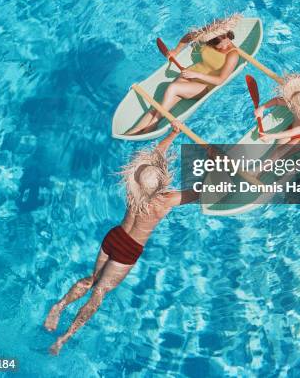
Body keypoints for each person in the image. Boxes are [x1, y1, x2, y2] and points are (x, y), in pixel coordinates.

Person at [44, 122, 198, 355]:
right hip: (129, 250)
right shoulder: (164, 200)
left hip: (114, 237)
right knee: (99, 292)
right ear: (161, 181)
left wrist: (173, 133)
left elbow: (156, 154)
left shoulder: (132, 188)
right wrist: (214, 159)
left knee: (93, 278)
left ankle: (59, 305)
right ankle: (64, 337)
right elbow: (202, 192)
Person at [126, 14, 241, 135]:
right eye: (219, 44)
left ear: (228, 34)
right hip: (191, 73)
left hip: (206, 85)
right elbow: (188, 37)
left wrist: (196, 75)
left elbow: (220, 80)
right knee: (164, 101)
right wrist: (176, 51)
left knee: (172, 88)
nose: (224, 46)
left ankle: (153, 124)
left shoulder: (232, 55)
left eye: (225, 41)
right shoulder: (206, 37)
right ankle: (134, 131)